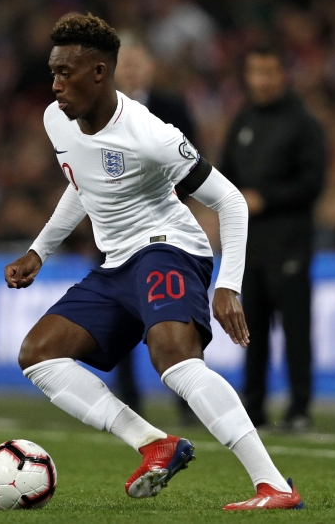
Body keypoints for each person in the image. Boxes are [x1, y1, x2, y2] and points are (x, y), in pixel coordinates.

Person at [4, 13, 303, 510]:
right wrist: (40, 249)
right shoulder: (55, 119)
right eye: (52, 72)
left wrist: (229, 283)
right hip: (118, 263)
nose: (54, 85)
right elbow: (83, 185)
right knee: (38, 354)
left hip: (169, 247)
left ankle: (273, 484)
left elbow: (230, 200)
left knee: (175, 358)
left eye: (65, 73)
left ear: (100, 73)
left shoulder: (150, 135)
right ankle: (153, 443)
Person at [220, 46, 325, 431]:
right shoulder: (243, 120)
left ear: (283, 75)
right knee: (252, 330)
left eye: (268, 72)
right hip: (251, 246)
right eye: (254, 72)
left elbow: (314, 183)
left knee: (296, 329)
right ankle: (254, 406)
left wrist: (267, 197)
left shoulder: (302, 123)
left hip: (291, 243)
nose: (261, 81)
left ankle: (299, 407)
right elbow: (225, 175)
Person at [114, 37, 201, 426]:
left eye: (138, 63)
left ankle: (188, 401)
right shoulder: (98, 111)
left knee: (174, 313)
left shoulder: (171, 107)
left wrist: (166, 201)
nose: (132, 71)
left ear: (149, 68)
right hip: (114, 230)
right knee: (120, 320)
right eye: (125, 64)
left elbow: (192, 161)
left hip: (165, 228)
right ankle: (129, 402)